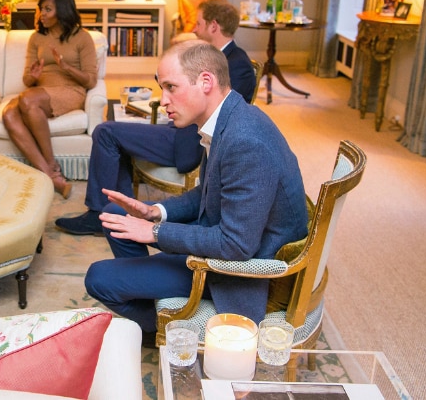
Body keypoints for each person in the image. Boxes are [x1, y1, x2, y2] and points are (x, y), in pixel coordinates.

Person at [83, 40, 307, 344]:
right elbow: (207, 193)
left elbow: (236, 244)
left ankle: (164, 329)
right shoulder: (227, 118)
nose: (163, 101)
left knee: (99, 278)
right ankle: (158, 302)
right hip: (221, 233)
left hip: (237, 271)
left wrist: (156, 232)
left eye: (171, 87)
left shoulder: (245, 141)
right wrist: (156, 212)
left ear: (205, 82)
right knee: (112, 214)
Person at [55, 0, 255, 235]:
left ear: (213, 26)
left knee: (105, 131)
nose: (194, 28)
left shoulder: (238, 64)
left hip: (189, 139)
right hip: (178, 129)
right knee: (116, 130)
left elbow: (223, 117)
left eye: (198, 23)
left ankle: (100, 215)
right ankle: (119, 212)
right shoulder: (210, 55)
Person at [2, 0, 98, 199]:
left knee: (27, 100)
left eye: (47, 9)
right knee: (8, 114)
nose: (41, 14)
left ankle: (52, 165)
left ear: (62, 10)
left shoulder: (82, 38)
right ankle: (50, 175)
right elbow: (27, 80)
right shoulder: (37, 38)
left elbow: (91, 80)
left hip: (70, 90)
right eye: (40, 9)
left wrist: (67, 68)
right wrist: (33, 76)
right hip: (39, 92)